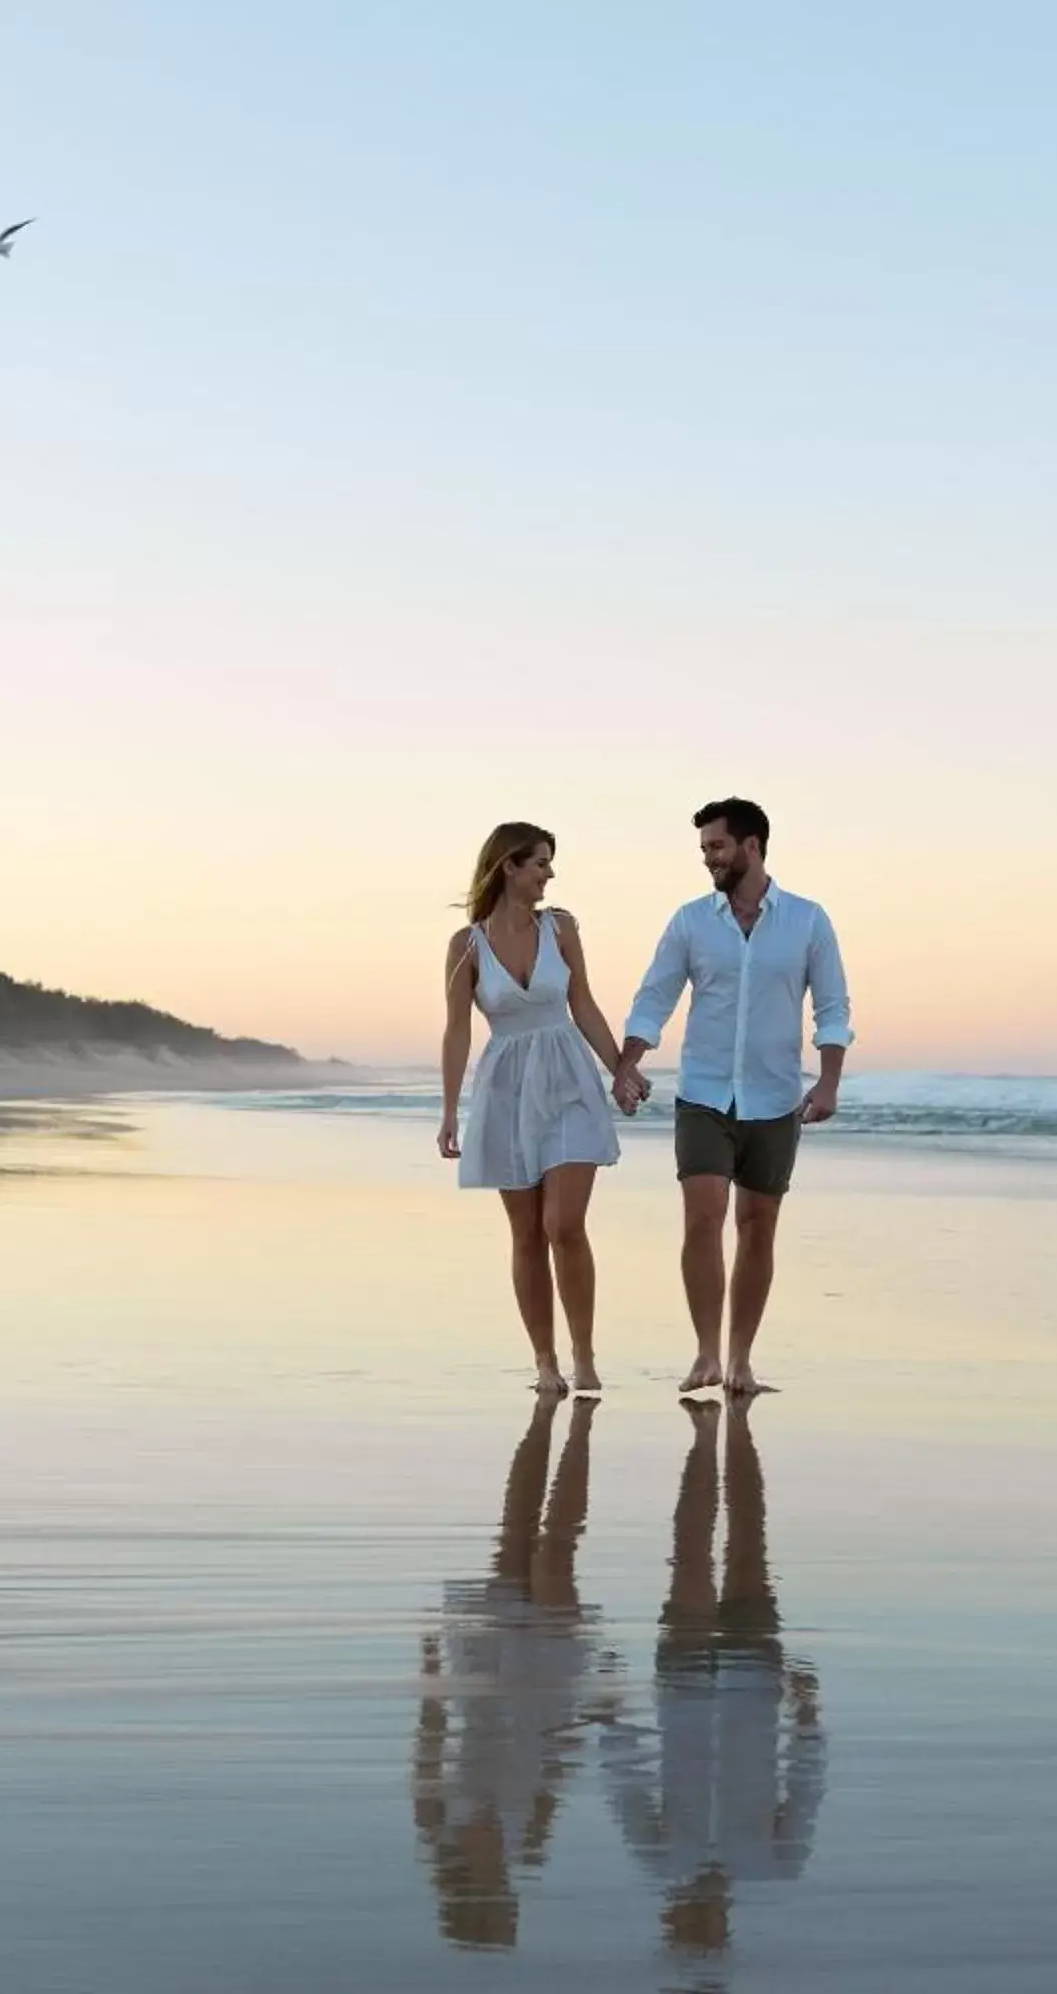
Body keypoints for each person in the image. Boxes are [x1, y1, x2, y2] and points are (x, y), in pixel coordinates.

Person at [612, 799, 853, 1396]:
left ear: (752, 846)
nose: (708, 860)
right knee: (703, 1219)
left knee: (758, 1226)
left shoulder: (807, 921)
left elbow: (832, 1007)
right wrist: (627, 1065)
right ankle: (705, 1356)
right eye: (703, 850)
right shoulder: (692, 921)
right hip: (703, 1094)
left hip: (774, 1099)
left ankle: (741, 1362)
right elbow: (655, 997)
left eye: (716, 847)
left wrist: (828, 1082)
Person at [602, 1396, 824, 1965]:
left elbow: (627, 1783)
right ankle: (733, 1432)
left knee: (691, 1556)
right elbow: (805, 1785)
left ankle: (705, 1440)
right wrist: (807, 1715)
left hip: (682, 1687)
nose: (676, 1917)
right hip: (752, 1681)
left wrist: (611, 1712)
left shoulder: (660, 1860)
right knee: (749, 1543)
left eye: (674, 1929)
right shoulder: (774, 1867)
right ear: (721, 1935)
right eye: (689, 1931)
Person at [412, 1396, 618, 1950]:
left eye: (499, 1900)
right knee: (555, 1553)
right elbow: (555, 1764)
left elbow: (432, 1734)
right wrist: (600, 1695)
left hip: (483, 1666)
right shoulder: (527, 1844)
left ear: (472, 1894)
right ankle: (580, 1433)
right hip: (547, 1679)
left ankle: (555, 1416)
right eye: (510, 1902)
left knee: (515, 1533)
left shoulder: (436, 1825)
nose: (509, 1890)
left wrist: (430, 1663)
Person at [440, 822, 631, 1396]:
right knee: (526, 1234)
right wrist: (451, 1111)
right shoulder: (466, 945)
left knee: (563, 1225)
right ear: (509, 867)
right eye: (541, 863)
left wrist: (621, 1068)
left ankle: (584, 1354)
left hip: (568, 1078)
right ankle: (545, 1364)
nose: (549, 874)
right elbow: (455, 1032)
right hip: (506, 1091)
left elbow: (585, 1005)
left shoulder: (563, 928)